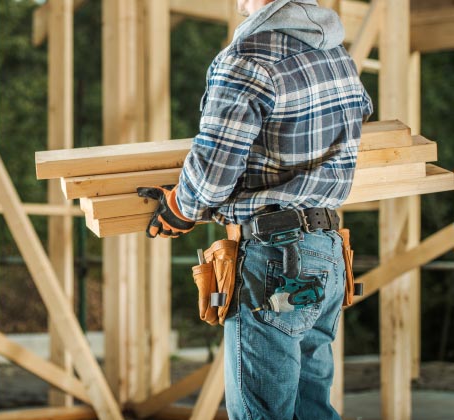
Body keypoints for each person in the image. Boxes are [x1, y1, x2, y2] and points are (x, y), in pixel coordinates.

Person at [137, 0, 373, 419]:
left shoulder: (250, 58)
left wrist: (180, 207)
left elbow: (212, 170)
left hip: (277, 259)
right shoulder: (337, 55)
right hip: (328, 251)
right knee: (311, 409)